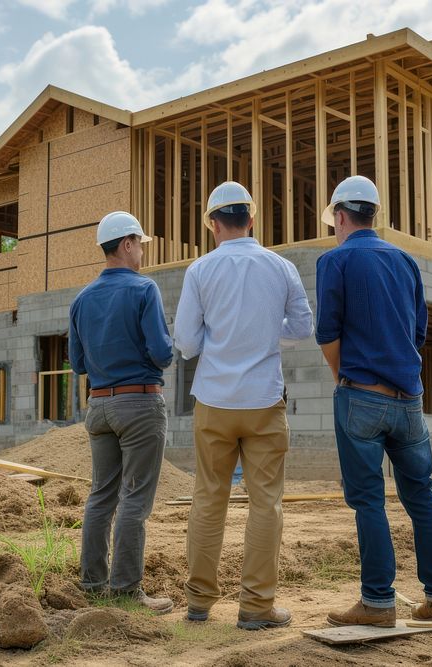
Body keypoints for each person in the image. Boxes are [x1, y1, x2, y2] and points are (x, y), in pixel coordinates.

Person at [315, 175, 432, 628]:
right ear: (372, 214)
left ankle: (378, 603)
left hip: (362, 398)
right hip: (409, 400)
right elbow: (418, 333)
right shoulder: (407, 262)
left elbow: (327, 332)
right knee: (422, 497)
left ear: (339, 216)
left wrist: (344, 379)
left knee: (369, 502)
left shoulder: (334, 261)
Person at [174, 181, 313, 630]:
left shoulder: (199, 271)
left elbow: (187, 343)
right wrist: (267, 335)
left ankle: (198, 602)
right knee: (265, 504)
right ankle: (256, 607)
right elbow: (303, 326)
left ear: (213, 224)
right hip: (264, 401)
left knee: (208, 498)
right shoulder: (281, 267)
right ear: (251, 219)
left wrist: (223, 337)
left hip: (213, 401)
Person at [68, 211, 174, 614]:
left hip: (99, 406)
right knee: (134, 498)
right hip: (139, 404)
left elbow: (78, 364)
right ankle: (127, 590)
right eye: (140, 244)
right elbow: (162, 354)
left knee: (101, 496)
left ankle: (93, 583)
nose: (142, 251)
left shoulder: (81, 299)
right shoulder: (144, 289)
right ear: (127, 244)